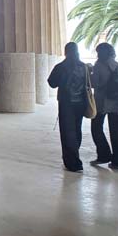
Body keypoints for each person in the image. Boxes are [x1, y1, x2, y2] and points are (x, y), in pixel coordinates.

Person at [48, 42, 89, 172]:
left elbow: (52, 83)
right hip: (81, 103)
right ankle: (74, 155)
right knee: (77, 130)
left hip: (66, 103)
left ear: (66, 52)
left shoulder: (61, 66)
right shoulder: (84, 66)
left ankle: (73, 162)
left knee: (67, 132)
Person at [89, 42, 118, 169]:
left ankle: (104, 154)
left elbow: (94, 83)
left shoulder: (98, 65)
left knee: (96, 128)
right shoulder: (117, 65)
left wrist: (90, 74)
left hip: (103, 102)